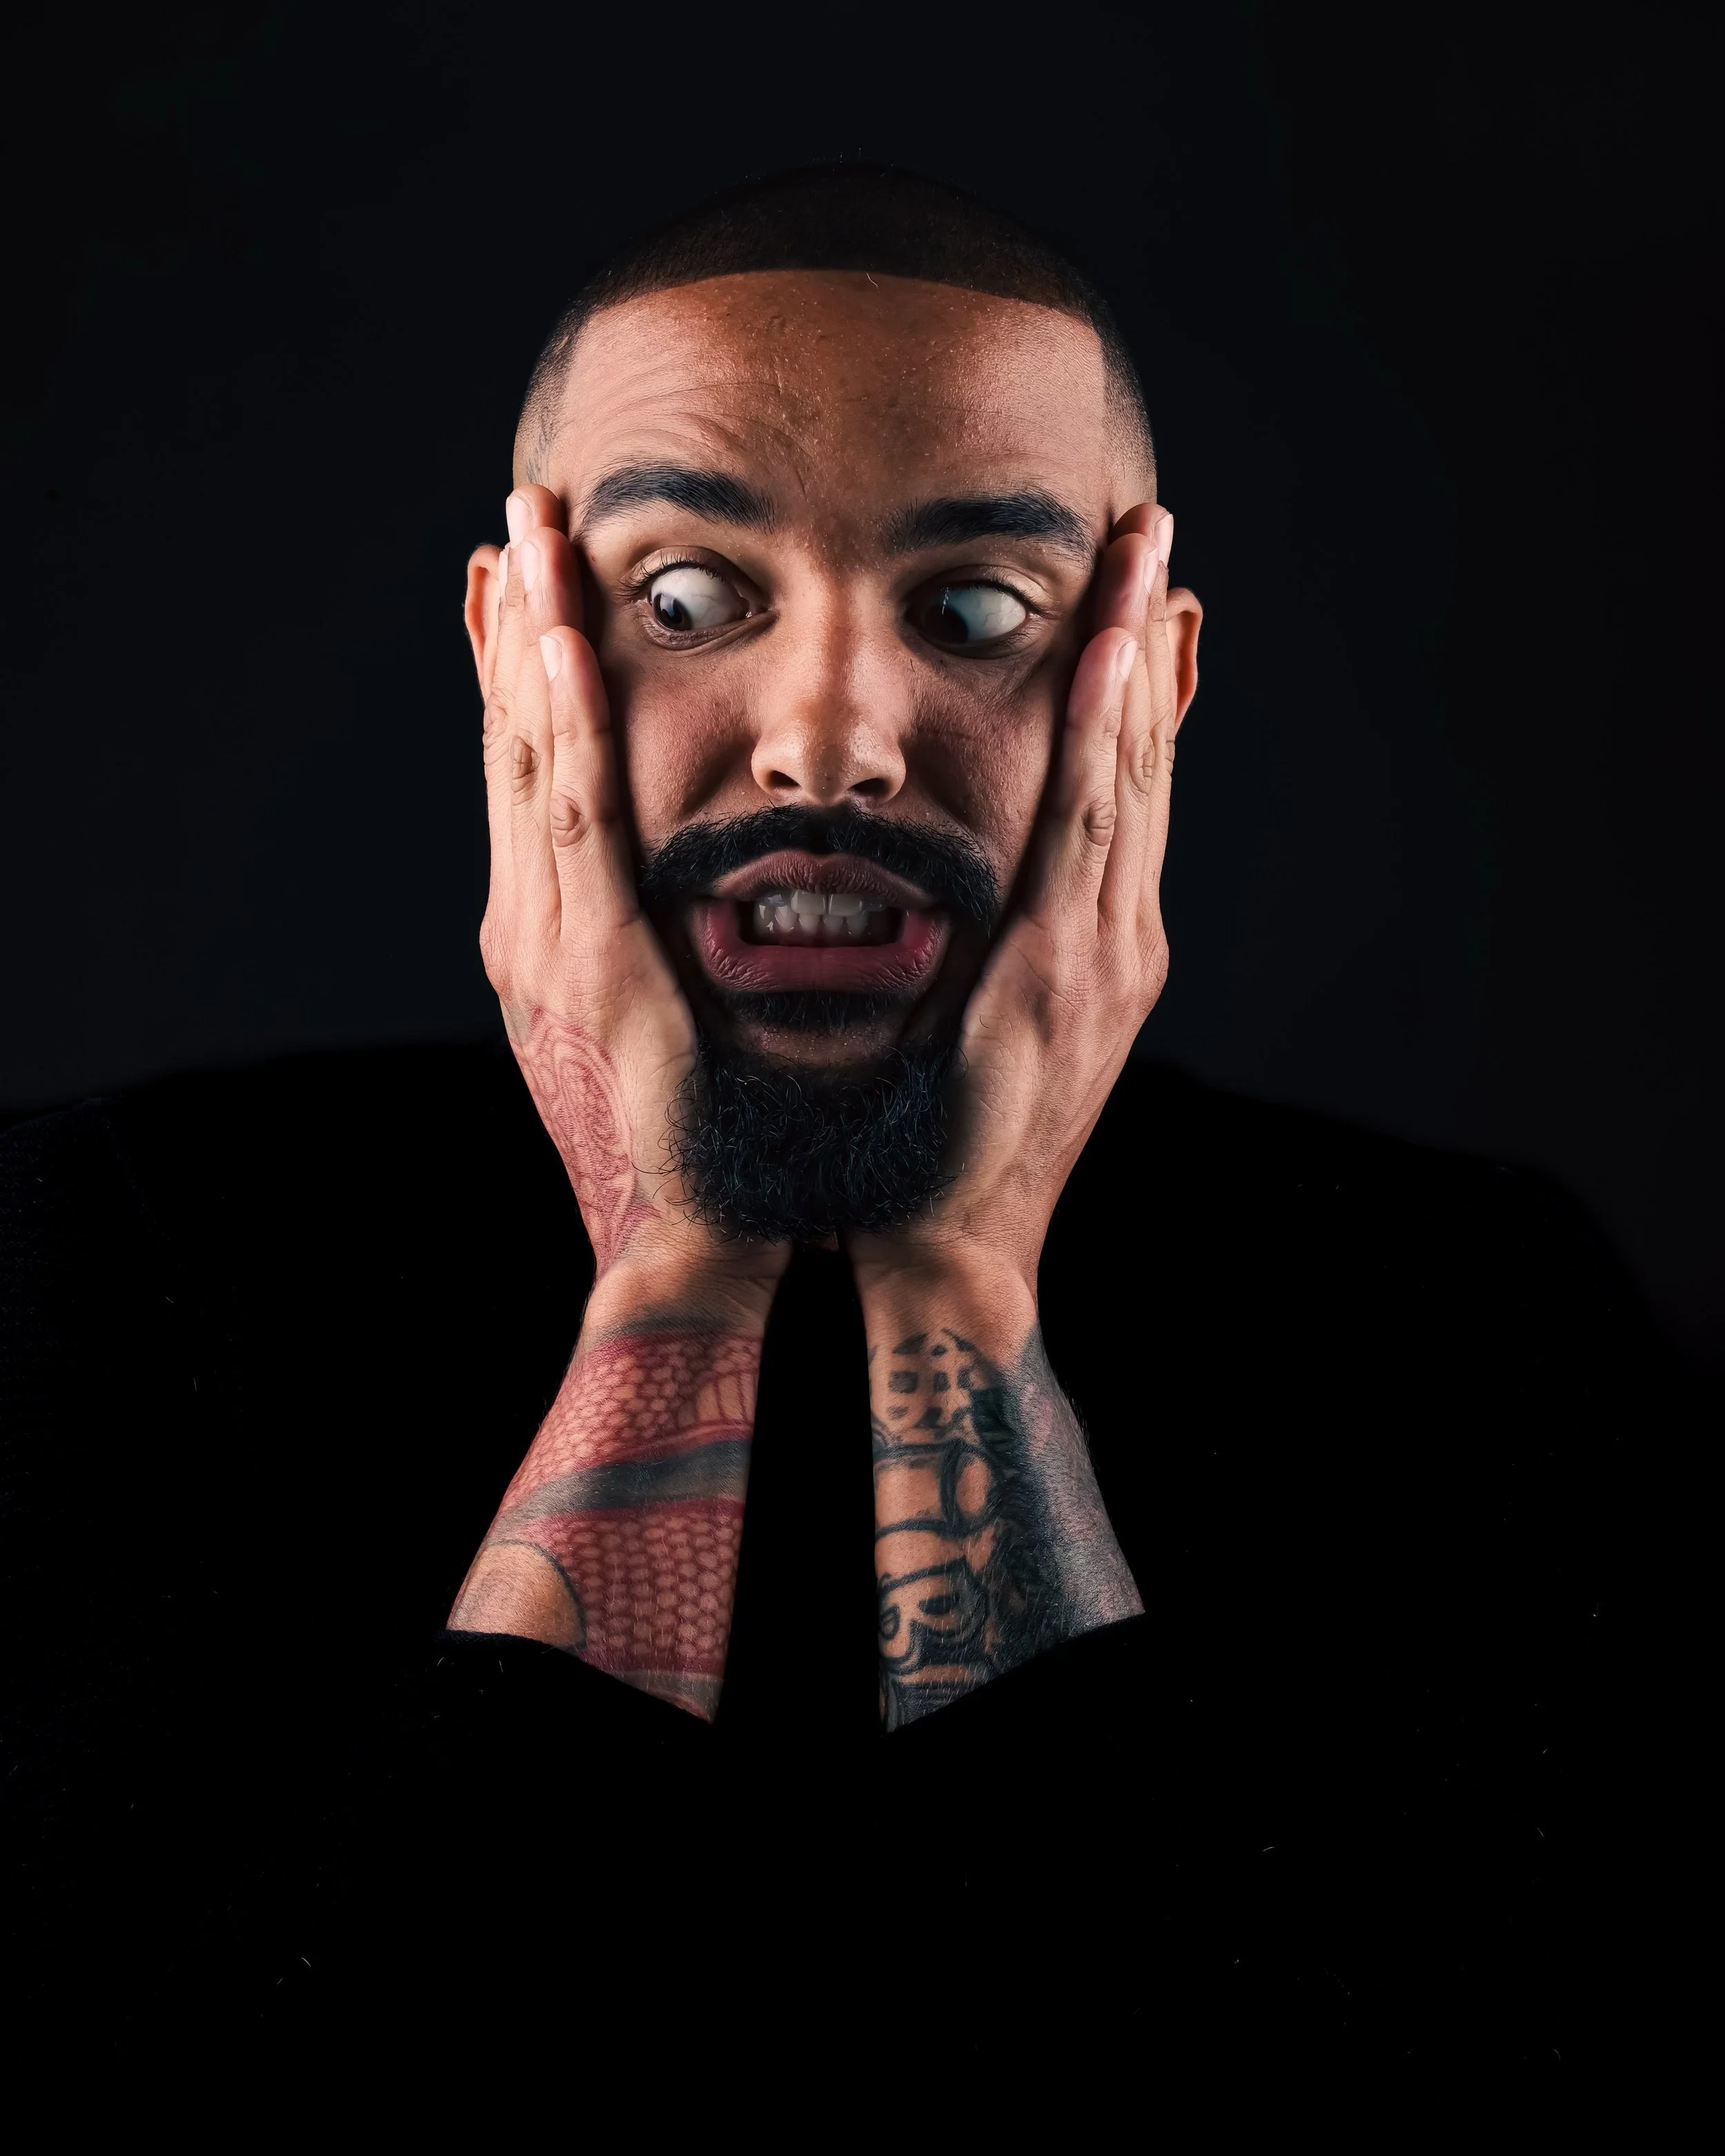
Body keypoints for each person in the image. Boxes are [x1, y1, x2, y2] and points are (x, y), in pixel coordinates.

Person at [0, 166, 1669, 2073]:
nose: (830, 737)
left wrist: (960, 1276)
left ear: (1155, 690)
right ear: (507, 658)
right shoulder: (100, 1258)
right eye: (686, 596)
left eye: (978, 607)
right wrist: (673, 1265)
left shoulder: (1476, 1322)